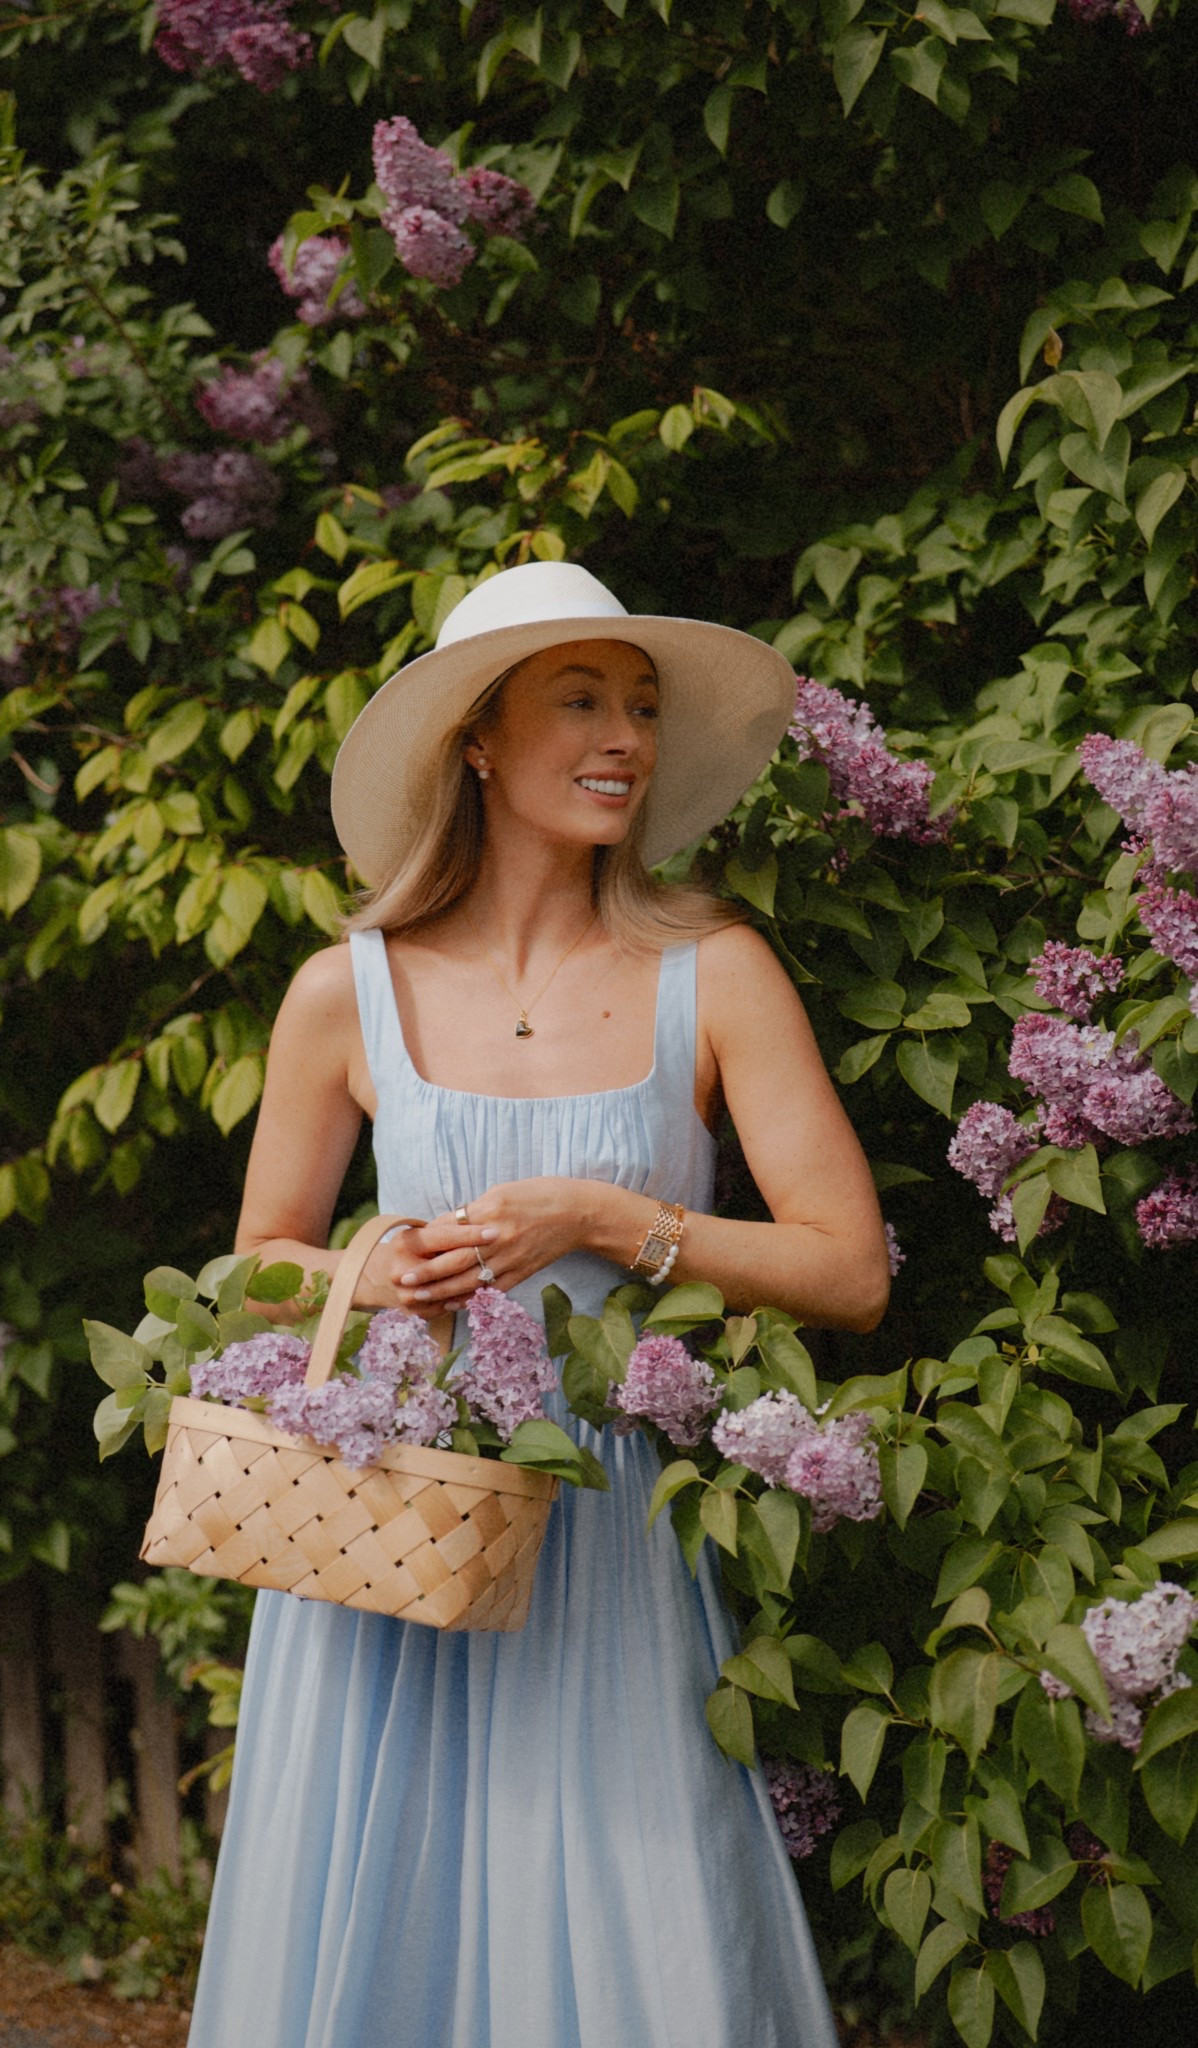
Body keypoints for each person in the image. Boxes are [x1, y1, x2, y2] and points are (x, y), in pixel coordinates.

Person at [186, 560, 891, 2048]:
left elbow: (847, 1268)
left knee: (644, 1932)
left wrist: (611, 1219)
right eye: (579, 699)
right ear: (480, 742)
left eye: (638, 705)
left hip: (613, 1535)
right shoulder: (344, 990)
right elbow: (260, 1252)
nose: (624, 734)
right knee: (383, 1930)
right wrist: (362, 1269)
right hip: (399, 1524)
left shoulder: (717, 973)